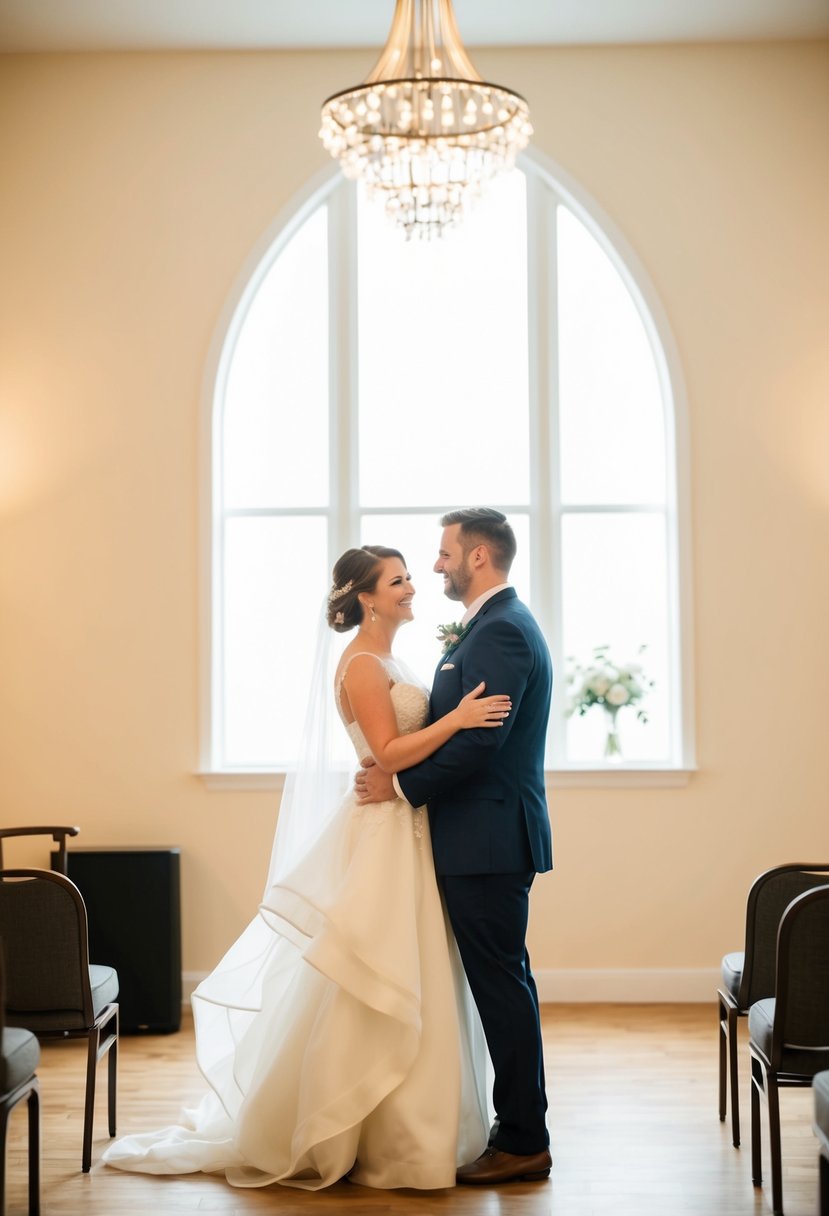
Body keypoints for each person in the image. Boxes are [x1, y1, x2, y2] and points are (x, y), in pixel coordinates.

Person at [103, 543, 512, 1190]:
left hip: (406, 824)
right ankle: (359, 1129)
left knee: (419, 968)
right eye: (398, 581)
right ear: (366, 597)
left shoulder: (392, 658)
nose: (411, 588)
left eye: (410, 577)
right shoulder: (359, 665)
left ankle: (410, 1128)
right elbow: (387, 750)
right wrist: (459, 720)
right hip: (382, 832)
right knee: (377, 969)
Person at [355, 509, 553, 1185]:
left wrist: (399, 785)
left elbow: (478, 740)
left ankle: (524, 1137)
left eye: (442, 554)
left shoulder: (502, 634)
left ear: (476, 558)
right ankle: (516, 1126)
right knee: (501, 984)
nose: (434, 566)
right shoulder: (491, 628)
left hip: (488, 839)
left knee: (501, 987)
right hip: (479, 837)